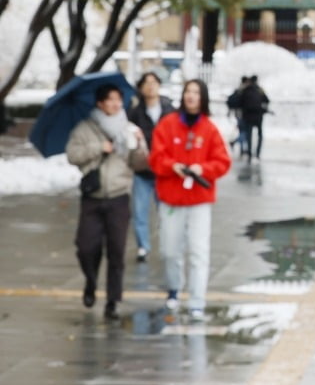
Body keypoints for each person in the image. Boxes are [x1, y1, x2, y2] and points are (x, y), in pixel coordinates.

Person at [150, 79, 231, 321]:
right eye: (188, 92)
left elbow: (222, 162)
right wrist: (171, 166)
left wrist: (202, 169)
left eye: (196, 92)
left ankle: (197, 299)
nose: (191, 97)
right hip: (172, 199)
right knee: (170, 251)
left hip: (199, 200)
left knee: (198, 251)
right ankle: (174, 287)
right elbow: (155, 157)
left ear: (203, 98)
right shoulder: (167, 125)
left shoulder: (209, 129)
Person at [66, 83, 149, 320]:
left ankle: (113, 300)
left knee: (116, 251)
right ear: (100, 103)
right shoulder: (85, 128)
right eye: (110, 100)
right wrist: (98, 147)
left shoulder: (128, 129)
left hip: (119, 198)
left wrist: (140, 145)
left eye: (118, 100)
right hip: (92, 198)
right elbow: (72, 155)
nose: (115, 104)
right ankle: (90, 282)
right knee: (85, 248)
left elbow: (140, 164)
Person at [126, 72, 174, 263]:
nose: (151, 86)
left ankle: (167, 244)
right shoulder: (135, 113)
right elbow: (126, 134)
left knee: (166, 212)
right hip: (143, 170)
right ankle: (143, 247)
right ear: (141, 88)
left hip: (164, 171)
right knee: (139, 211)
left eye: (154, 82)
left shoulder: (169, 110)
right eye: (146, 83)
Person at [238, 75, 269, 161]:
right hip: (259, 116)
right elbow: (267, 100)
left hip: (248, 116)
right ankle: (258, 153)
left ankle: (250, 153)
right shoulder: (260, 90)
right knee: (259, 135)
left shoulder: (245, 90)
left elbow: (240, 103)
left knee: (249, 135)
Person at [225, 76, 249, 158]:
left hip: (238, 113)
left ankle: (242, 149)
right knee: (244, 132)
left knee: (242, 131)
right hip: (242, 114)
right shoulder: (244, 90)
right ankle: (234, 142)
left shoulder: (239, 89)